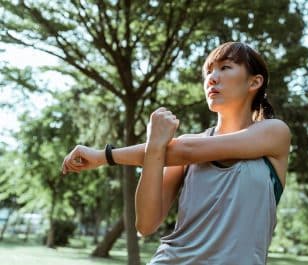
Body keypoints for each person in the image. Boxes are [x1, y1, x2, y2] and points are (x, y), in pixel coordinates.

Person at [62, 42, 291, 265]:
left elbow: (185, 152)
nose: (212, 78)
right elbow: (146, 224)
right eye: (208, 71)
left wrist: (105, 156)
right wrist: (155, 147)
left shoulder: (274, 133)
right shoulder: (182, 145)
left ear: (254, 82)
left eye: (225, 67)